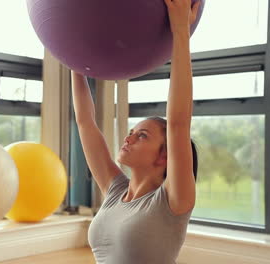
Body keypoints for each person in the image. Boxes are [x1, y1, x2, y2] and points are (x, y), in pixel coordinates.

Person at [71, 0, 200, 263]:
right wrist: (72, 59)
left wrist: (180, 31)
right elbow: (85, 122)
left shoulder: (173, 202)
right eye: (132, 131)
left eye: (142, 136)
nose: (128, 138)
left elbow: (178, 123)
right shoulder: (115, 191)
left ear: (164, 157)